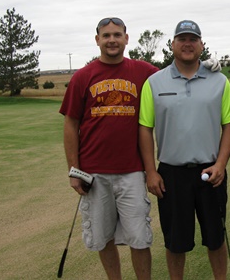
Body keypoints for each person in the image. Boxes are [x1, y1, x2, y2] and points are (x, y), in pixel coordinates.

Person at [60, 17, 157, 279]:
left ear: (126, 38)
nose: (111, 40)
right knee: (103, 238)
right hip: (94, 173)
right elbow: (71, 124)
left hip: (132, 171)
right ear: (97, 40)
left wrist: (209, 69)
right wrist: (73, 170)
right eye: (106, 35)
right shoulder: (83, 76)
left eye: (117, 35)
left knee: (140, 237)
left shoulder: (143, 71)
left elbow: (176, 76)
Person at [138, 20, 230, 280]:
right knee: (175, 242)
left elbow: (229, 125)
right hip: (171, 174)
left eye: (193, 39)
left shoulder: (219, 81)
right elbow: (145, 128)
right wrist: (151, 172)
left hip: (211, 172)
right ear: (172, 44)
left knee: (216, 239)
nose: (187, 44)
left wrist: (221, 164)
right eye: (182, 39)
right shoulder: (154, 83)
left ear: (202, 45)